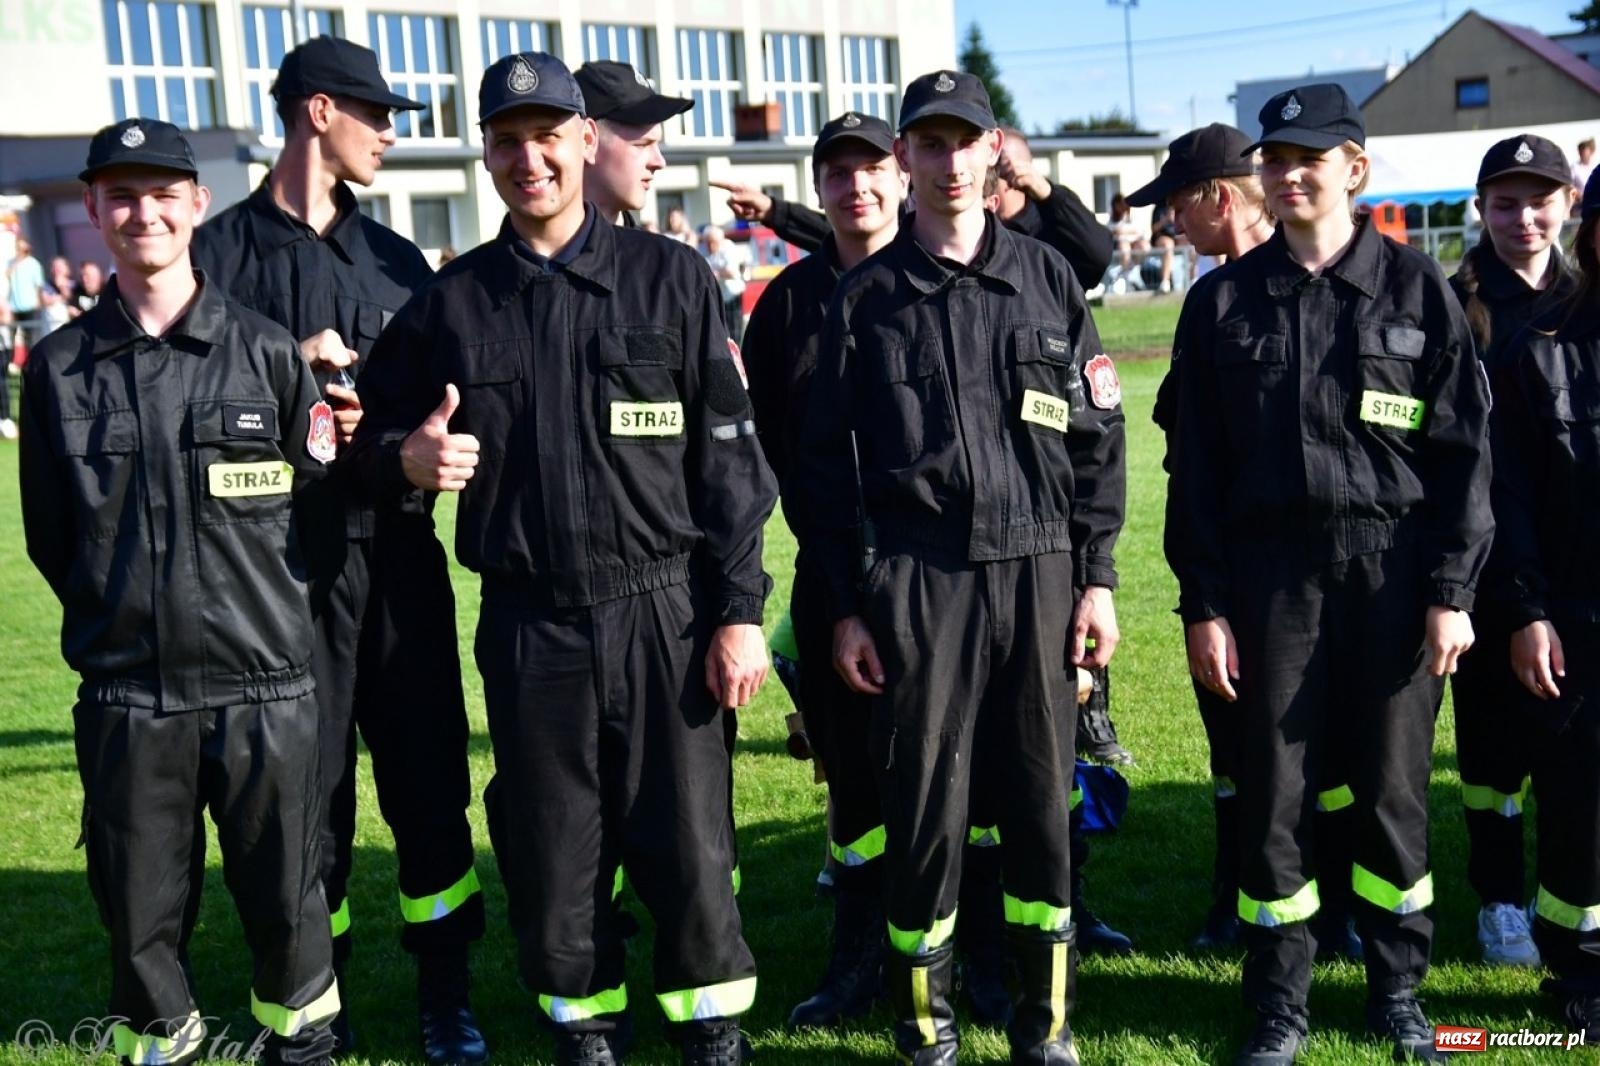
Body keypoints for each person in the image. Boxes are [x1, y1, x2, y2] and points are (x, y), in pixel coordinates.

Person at [344, 51, 776, 1066]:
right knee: (552, 852)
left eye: (547, 135)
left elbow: (729, 462)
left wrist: (740, 608)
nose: (528, 157)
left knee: (690, 849)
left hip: (665, 614)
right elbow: (354, 439)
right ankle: (586, 1038)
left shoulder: (671, 278)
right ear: (485, 155)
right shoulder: (453, 304)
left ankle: (713, 1034)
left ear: (588, 141)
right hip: (531, 625)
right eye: (507, 139)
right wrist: (402, 458)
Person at [795, 69, 1126, 1066]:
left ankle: (1044, 1024)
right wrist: (850, 607)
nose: (945, 162)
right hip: (918, 579)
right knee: (926, 816)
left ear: (994, 152)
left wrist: (1099, 576)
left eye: (962, 142)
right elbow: (823, 478)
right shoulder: (862, 302)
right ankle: (923, 1032)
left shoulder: (1046, 279)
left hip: (1038, 572)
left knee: (1036, 806)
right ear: (904, 158)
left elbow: (1096, 441)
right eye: (926, 144)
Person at [1166, 84, 1491, 1066]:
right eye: (1275, 156)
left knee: (1393, 795)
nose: (1288, 171)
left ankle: (1396, 992)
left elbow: (1464, 455)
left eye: (1310, 156)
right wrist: (1204, 604)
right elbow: (1197, 473)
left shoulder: (1417, 290)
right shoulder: (1221, 302)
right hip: (1271, 583)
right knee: (1274, 794)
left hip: (1390, 575)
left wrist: (1451, 593)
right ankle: (1278, 1003)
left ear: (1354, 167)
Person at [189, 34, 486, 1063]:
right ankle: (321, 1000)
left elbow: (438, 406)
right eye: (380, 114)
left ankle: (447, 996)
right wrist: (282, 373)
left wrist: (401, 436)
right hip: (274, 574)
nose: (393, 135)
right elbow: (182, 413)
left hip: (397, 567)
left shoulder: (399, 262)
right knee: (302, 809)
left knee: (428, 791)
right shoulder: (213, 262)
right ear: (319, 112)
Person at [19, 117, 338, 1065]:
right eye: (120, 195)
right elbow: (51, 538)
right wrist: (123, 621)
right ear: (92, 211)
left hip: (265, 694)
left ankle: (302, 1052)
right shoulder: (56, 372)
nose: (142, 212)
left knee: (288, 911)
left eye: (163, 193)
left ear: (198, 206)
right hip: (130, 701)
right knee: (139, 923)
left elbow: (313, 507)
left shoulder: (271, 355)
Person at [1137, 122, 1368, 962]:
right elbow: (1186, 435)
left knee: (1329, 752)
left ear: (1214, 198)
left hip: (1313, 566)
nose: (1171, 224)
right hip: (1228, 563)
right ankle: (1237, 898)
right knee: (1236, 751)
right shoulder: (1216, 300)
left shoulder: (1303, 283)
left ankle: (1337, 907)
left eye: (1176, 206)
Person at [742, 109, 907, 1031]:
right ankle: (856, 958)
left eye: (872, 168)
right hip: (832, 575)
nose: (858, 188)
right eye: (838, 173)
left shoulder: (939, 279)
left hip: (941, 574)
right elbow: (772, 444)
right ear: (818, 190)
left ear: (900, 175)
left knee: (959, 770)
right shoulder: (788, 305)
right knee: (851, 781)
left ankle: (976, 956)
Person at [1447, 132, 1578, 970]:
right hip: (1490, 559)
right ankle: (1500, 901)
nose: (1523, 218)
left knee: (1574, 744)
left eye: (1540, 200)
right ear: (1480, 207)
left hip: (1582, 558)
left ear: (1568, 203)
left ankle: (1572, 894)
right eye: (1505, 202)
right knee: (1492, 750)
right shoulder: (1454, 300)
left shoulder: (1590, 293)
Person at [1487, 165, 1600, 1046]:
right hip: (1570, 614)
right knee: (1578, 801)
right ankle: (1579, 965)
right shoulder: (1543, 349)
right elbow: (1512, 498)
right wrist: (1527, 611)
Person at [713, 128, 1114, 292]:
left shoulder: (1042, 245)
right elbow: (855, 237)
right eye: (937, 148)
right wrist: (773, 211)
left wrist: (1045, 190)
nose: (955, 166)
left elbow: (1095, 256)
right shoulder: (927, 238)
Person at [574, 60, 691, 226]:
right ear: (587, 141)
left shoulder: (661, 252)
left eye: (657, 144)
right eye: (642, 144)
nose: (659, 162)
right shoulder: (531, 249)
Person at [700, 223, 748, 342]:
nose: (710, 246)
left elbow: (731, 271)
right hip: (716, 296)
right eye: (708, 242)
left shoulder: (729, 248)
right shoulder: (703, 250)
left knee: (734, 331)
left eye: (713, 242)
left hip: (732, 295)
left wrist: (715, 273)